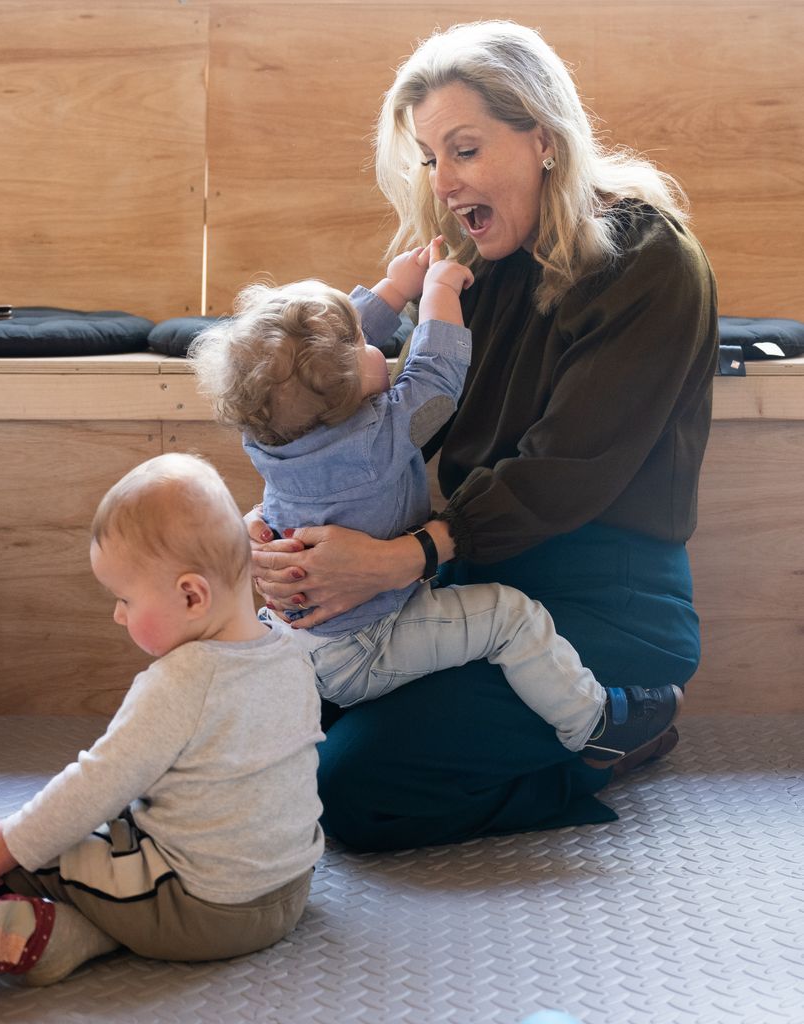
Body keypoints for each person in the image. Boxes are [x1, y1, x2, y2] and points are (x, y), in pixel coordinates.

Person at [245, 20, 719, 852]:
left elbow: (562, 473)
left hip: (607, 594)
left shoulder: (651, 260)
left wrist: (399, 557)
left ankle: (619, 731)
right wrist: (281, 531)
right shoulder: (471, 265)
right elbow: (370, 419)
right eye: (431, 158)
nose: (443, 179)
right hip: (470, 575)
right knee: (264, 726)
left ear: (542, 138)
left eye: (463, 149)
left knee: (351, 790)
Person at [191, 238, 681, 766]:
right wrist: (437, 289)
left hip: (294, 636)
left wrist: (395, 286)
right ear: (344, 387)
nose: (372, 341)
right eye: (363, 344)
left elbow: (320, 356)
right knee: (511, 617)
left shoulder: (269, 431)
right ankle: (593, 723)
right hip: (369, 644)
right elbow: (436, 375)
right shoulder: (375, 443)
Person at [0, 453, 323, 984]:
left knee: (38, 848)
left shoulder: (180, 682)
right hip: (288, 889)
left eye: (125, 598)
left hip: (208, 908)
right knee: (101, 836)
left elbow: (96, 783)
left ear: (191, 595)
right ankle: (82, 936)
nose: (117, 614)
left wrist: (10, 841)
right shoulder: (288, 648)